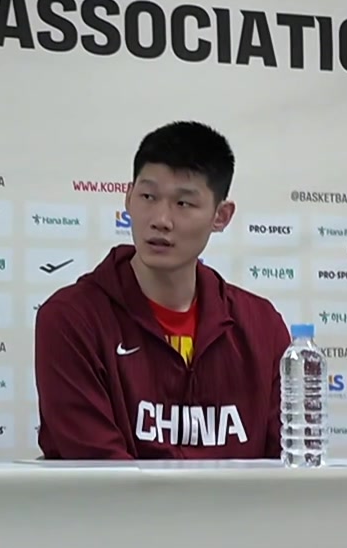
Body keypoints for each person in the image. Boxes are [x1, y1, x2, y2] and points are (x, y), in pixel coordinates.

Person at [33, 120, 291, 460]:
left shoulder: (261, 325)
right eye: (148, 197)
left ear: (221, 216)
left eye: (183, 203)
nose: (160, 220)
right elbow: (98, 471)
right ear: (128, 198)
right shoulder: (72, 319)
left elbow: (288, 464)